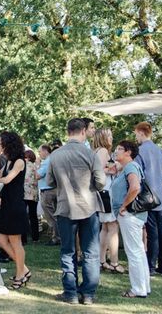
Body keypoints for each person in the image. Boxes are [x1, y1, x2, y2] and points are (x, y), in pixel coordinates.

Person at [47, 118, 105, 305]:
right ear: (82, 131)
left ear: (68, 132)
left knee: (67, 251)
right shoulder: (90, 153)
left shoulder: (55, 155)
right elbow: (101, 181)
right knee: (91, 252)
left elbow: (49, 182)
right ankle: (88, 294)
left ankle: (70, 292)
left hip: (65, 206)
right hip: (89, 206)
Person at [111, 140, 151, 298]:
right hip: (133, 215)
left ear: (128, 152)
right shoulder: (126, 168)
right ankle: (144, 286)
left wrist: (124, 205)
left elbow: (135, 187)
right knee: (138, 251)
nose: (116, 151)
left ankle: (138, 288)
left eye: (120, 149)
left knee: (133, 251)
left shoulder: (131, 167)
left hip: (130, 215)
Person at [0, 131, 30, 290]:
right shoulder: (7, 161)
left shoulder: (19, 161)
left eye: (0, 142)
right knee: (0, 240)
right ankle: (25, 269)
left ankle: (20, 275)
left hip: (15, 206)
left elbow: (7, 180)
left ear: (8, 143)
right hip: (6, 205)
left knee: (15, 242)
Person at [134, 121, 162, 277]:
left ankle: (150, 265)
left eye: (136, 133)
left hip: (146, 197)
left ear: (141, 133)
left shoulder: (139, 152)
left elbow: (136, 174)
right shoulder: (161, 151)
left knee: (151, 232)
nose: (135, 137)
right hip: (160, 197)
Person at [94, 128, 124, 274]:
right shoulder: (103, 151)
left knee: (106, 227)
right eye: (109, 135)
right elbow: (100, 170)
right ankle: (114, 262)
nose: (112, 138)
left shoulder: (96, 151)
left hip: (102, 192)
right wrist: (115, 167)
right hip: (107, 192)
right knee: (113, 227)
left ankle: (101, 260)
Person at [37, 144, 60, 245]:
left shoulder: (46, 162)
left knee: (51, 216)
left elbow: (38, 175)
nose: (39, 154)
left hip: (47, 191)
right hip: (54, 189)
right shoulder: (53, 160)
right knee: (55, 214)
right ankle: (57, 236)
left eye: (40, 151)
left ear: (46, 151)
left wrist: (37, 165)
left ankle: (56, 238)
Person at [22, 149, 39, 244]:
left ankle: (23, 239)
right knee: (33, 216)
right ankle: (35, 237)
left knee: (24, 216)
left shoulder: (24, 166)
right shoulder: (35, 166)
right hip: (34, 194)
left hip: (24, 193)